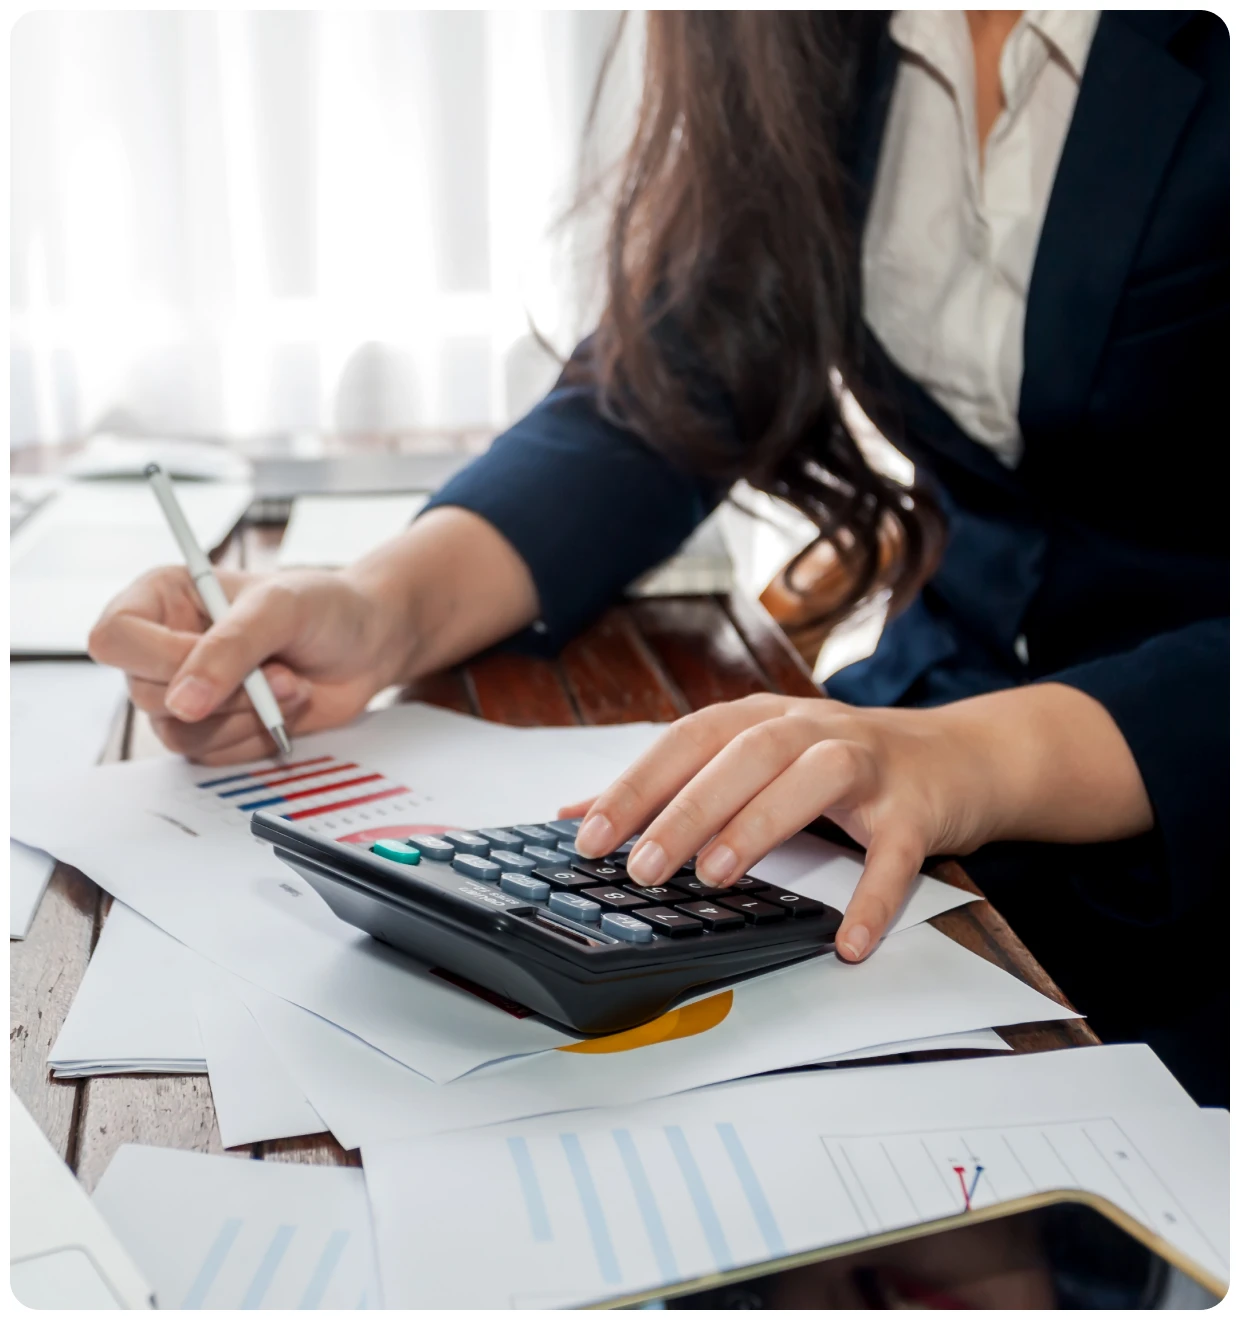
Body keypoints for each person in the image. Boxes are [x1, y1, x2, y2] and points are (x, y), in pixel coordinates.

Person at [89, 12, 1227, 1102]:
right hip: (906, 783)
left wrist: (986, 756)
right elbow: (664, 392)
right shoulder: (821, 31)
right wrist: (375, 606)